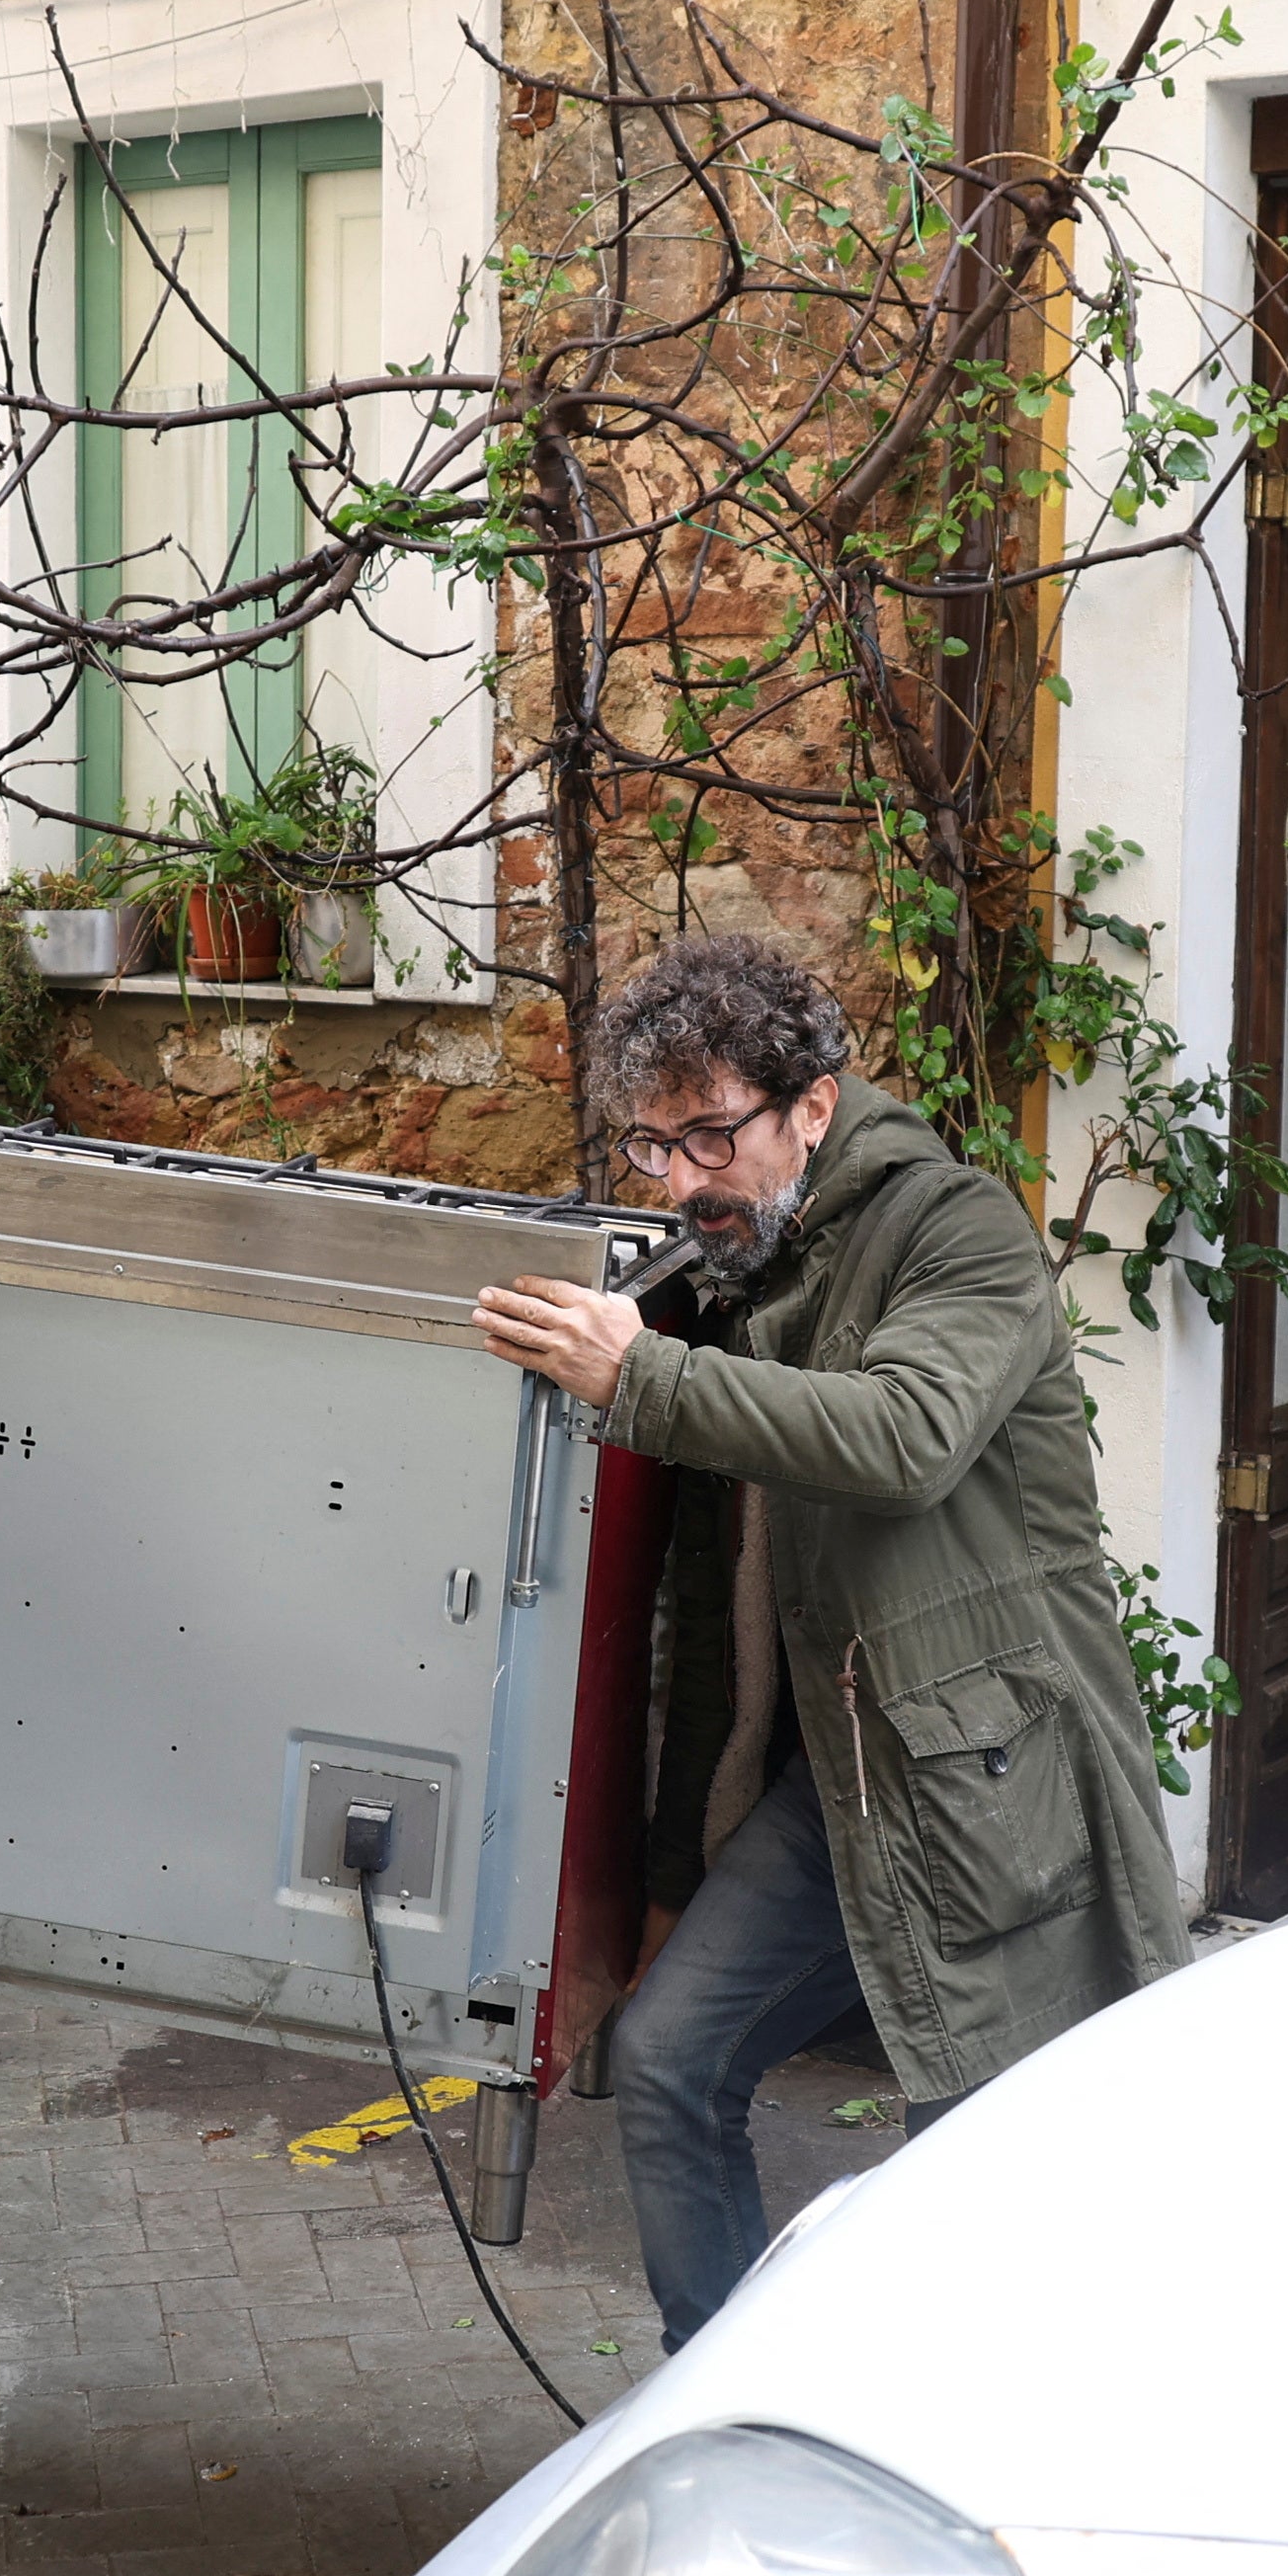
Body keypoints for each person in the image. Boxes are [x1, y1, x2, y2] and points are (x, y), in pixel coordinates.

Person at [470, 934, 1195, 2349]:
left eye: (709, 1132)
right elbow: (709, 1606)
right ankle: (730, 2405)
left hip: (996, 1785)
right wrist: (678, 1867)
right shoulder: (739, 1264)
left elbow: (904, 1435)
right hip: (841, 1780)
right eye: (654, 1143)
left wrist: (645, 1374)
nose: (681, 1178)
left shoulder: (957, 1228)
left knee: (982, 2163)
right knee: (671, 2057)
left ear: (813, 1102)